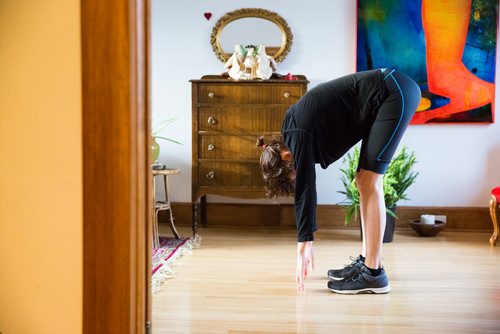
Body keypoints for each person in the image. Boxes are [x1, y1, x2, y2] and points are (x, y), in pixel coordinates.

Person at [257, 68, 421, 293]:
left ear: (286, 157)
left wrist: (303, 243)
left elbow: (305, 189)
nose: (295, 177)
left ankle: (373, 274)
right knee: (364, 180)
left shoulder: (297, 135)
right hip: (391, 91)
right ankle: (368, 263)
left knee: (370, 180)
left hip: (394, 91)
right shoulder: (291, 129)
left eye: (290, 175)